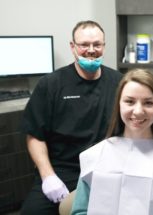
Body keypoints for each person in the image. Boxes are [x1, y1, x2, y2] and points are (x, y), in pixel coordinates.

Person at [20, 20, 123, 214]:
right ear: (72, 47)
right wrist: (48, 176)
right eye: (84, 45)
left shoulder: (118, 82)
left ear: (104, 46)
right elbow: (34, 135)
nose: (91, 50)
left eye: (97, 44)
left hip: (106, 170)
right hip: (62, 171)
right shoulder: (51, 84)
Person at [71, 69, 153, 215]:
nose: (138, 111)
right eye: (129, 101)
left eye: (148, 103)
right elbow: (80, 211)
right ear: (119, 104)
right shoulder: (95, 155)